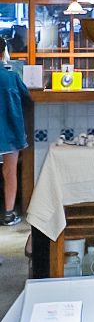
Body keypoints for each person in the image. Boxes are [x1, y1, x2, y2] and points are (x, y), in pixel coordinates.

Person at [0, 42, 33, 225]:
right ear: (3, 53)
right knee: (10, 171)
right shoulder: (11, 76)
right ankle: (9, 213)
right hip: (9, 130)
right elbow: (28, 98)